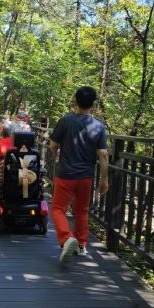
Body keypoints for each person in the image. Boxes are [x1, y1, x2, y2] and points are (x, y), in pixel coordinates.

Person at [49, 86, 108, 267]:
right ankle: (81, 245)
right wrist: (104, 178)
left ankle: (67, 238)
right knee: (81, 210)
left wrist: (56, 155)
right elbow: (103, 154)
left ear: (75, 101)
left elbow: (52, 144)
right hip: (86, 176)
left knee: (58, 209)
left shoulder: (66, 120)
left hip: (66, 173)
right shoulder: (99, 126)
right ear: (94, 104)